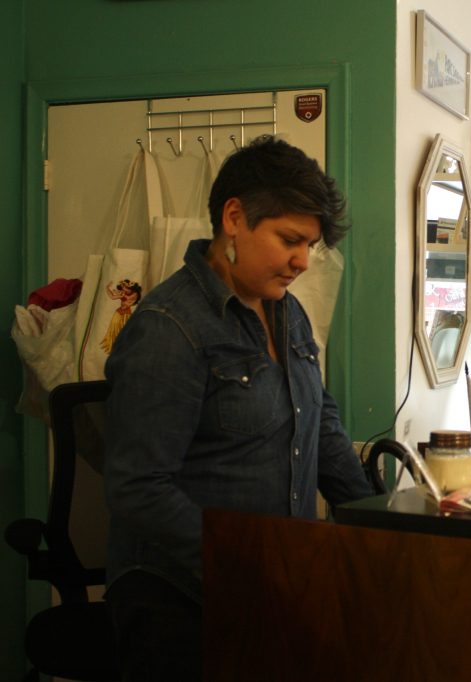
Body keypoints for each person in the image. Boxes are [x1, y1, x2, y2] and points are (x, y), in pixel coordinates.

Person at [103, 136, 374, 681]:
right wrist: (248, 566)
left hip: (272, 590)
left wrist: (383, 525)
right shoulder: (169, 328)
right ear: (234, 218)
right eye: (289, 240)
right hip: (185, 604)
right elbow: (138, 488)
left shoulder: (288, 313)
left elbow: (321, 430)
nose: (302, 261)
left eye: (309, 246)